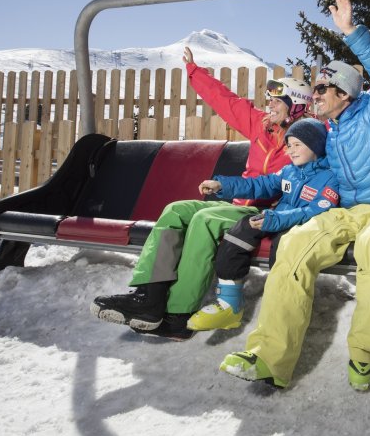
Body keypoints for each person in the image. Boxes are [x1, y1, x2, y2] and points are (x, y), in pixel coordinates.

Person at [221, 0, 370, 391]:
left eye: (322, 88)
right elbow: (297, 151)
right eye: (314, 89)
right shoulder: (329, 129)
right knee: (293, 244)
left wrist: (351, 30)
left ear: (345, 92)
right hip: (344, 213)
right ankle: (270, 357)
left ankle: (365, 355)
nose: (315, 94)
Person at [91, 48, 315, 340]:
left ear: (295, 106)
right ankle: (150, 294)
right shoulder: (261, 126)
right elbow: (227, 102)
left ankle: (178, 314)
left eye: (277, 101)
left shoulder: (309, 140)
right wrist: (195, 72)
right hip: (238, 203)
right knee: (175, 210)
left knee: (205, 219)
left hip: (265, 212)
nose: (270, 106)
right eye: (269, 100)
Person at [186, 118, 339, 331]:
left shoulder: (329, 178)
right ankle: (229, 305)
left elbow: (316, 210)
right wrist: (223, 185)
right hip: (276, 218)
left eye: (298, 145)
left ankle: (282, 313)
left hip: (301, 228)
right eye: (289, 145)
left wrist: (277, 219)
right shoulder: (289, 171)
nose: (291, 151)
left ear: (315, 146)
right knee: (242, 227)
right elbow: (260, 185)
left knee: (284, 245)